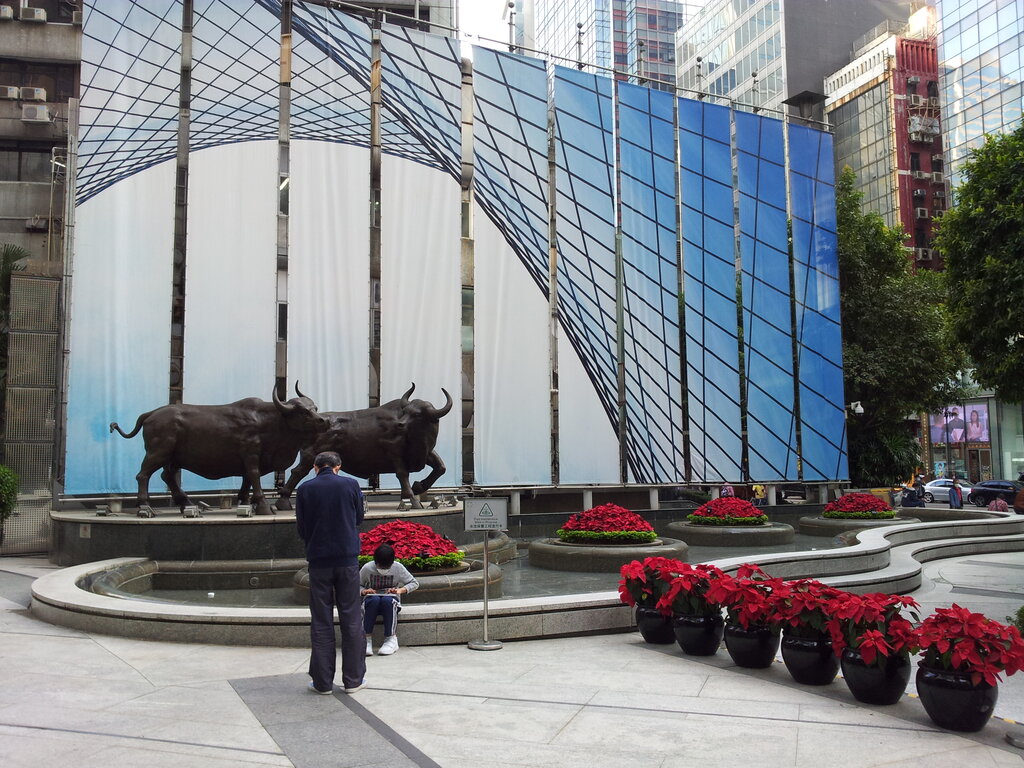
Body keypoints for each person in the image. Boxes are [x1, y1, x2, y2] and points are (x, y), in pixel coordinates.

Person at [296, 451, 367, 695]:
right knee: (352, 617)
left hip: (319, 561)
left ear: (315, 467)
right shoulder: (351, 484)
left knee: (321, 619)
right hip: (347, 560)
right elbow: (359, 517)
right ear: (338, 467)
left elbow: (302, 527)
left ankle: (322, 682)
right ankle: (353, 681)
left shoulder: (305, 489)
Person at [360, 543, 419, 656]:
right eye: (380, 567)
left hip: (390, 601)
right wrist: (364, 591)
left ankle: (391, 638)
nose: (383, 570)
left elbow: (414, 583)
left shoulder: (398, 568)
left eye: (386, 567)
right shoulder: (367, 568)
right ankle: (366, 638)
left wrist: (400, 590)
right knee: (373, 601)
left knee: (388, 601)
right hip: (372, 600)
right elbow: (357, 585)